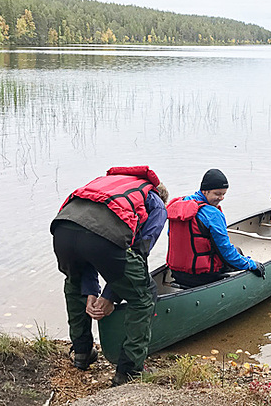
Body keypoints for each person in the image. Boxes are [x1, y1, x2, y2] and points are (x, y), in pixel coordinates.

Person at [50, 165, 168, 386]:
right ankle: (129, 370)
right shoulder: (157, 203)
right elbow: (139, 251)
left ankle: (82, 353)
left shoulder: (107, 187)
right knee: (143, 295)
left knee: (74, 284)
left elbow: (87, 247)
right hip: (99, 238)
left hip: (62, 231)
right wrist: (111, 295)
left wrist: (93, 293)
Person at [166, 168, 265, 288]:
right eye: (217, 194)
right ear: (205, 191)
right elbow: (227, 252)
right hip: (204, 277)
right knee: (237, 251)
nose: (221, 198)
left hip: (177, 273)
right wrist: (251, 264)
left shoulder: (179, 206)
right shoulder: (212, 214)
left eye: (224, 194)